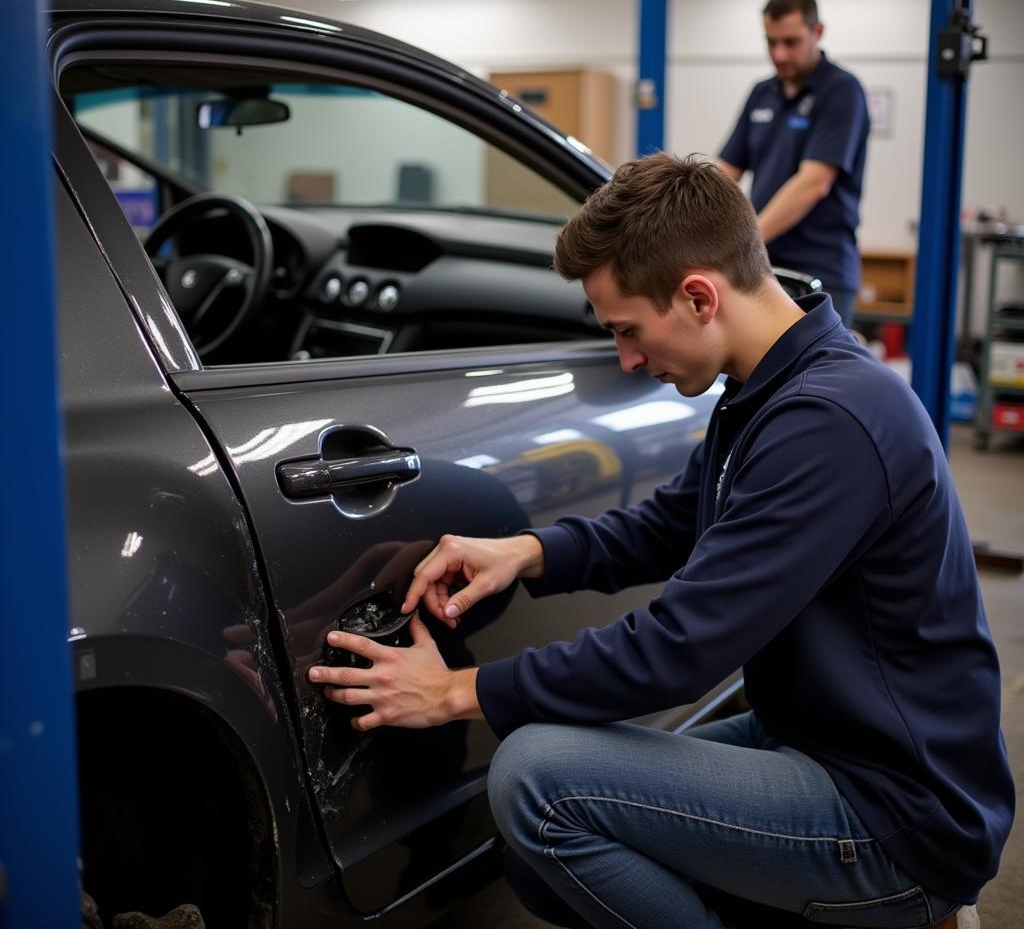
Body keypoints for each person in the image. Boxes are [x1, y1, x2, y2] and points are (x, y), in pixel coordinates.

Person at [307, 154, 1012, 929]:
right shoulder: (768, 389)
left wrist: (453, 694)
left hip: (895, 816)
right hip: (823, 743)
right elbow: (675, 522)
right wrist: (526, 553)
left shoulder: (831, 422)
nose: (629, 361)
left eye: (627, 331)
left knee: (538, 781)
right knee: (541, 863)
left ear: (699, 295)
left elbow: (680, 648)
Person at [718, 0, 869, 326]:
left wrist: (745, 241)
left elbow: (813, 183)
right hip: (765, 266)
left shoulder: (841, 91)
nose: (780, 54)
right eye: (771, 43)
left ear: (818, 32)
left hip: (821, 272)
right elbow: (725, 171)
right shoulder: (762, 93)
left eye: (791, 42)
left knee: (818, 377)